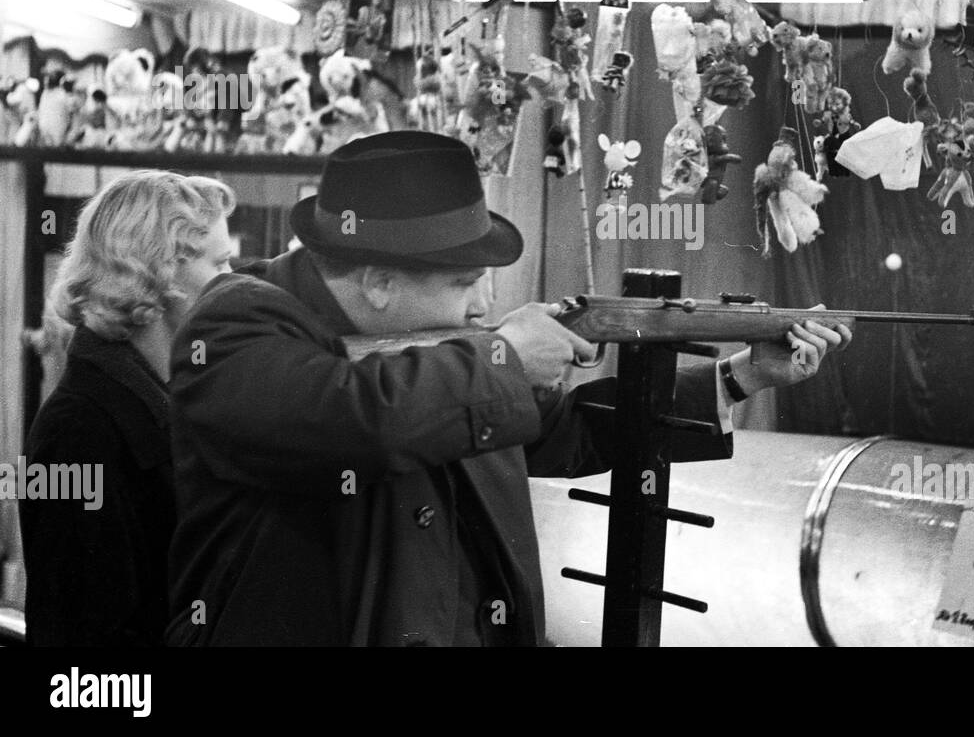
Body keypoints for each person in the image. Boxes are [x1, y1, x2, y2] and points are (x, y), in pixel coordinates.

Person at [166, 132, 849, 646]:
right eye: (464, 283)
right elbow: (350, 421)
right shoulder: (236, 324)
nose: (482, 301)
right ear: (377, 282)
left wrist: (743, 375)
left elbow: (564, 433)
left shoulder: (448, 360)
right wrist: (502, 359)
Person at [20, 170, 236, 646]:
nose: (232, 282)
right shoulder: (78, 432)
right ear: (159, 272)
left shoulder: (164, 395)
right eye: (220, 264)